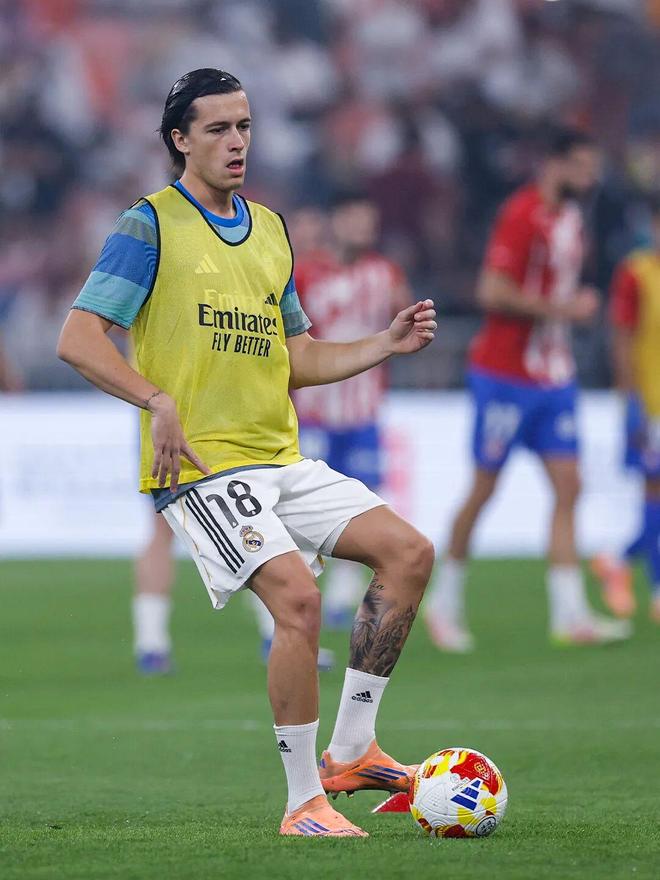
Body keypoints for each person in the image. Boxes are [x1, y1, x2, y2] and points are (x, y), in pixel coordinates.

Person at [57, 68, 436, 838]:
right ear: (180, 140)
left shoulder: (269, 229)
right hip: (203, 468)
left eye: (245, 126)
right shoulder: (149, 225)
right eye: (219, 129)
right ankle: (303, 804)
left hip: (280, 458)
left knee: (409, 553)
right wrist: (156, 399)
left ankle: (352, 751)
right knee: (298, 601)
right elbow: (78, 338)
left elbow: (296, 357)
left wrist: (382, 344)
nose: (237, 142)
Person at [425, 127, 631, 652]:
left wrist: (571, 309)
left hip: (554, 376)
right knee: (484, 489)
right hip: (505, 375)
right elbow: (491, 291)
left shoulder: (572, 220)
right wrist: (563, 309)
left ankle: (570, 614)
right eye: (581, 167)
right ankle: (444, 602)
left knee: (570, 487)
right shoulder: (521, 215)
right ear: (555, 164)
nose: (589, 178)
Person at [293, 192, 411, 628]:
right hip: (313, 411)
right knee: (300, 508)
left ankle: (342, 600)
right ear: (335, 222)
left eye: (369, 221)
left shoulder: (386, 273)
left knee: (359, 503)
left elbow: (408, 322)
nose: (363, 228)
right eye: (354, 219)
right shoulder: (306, 273)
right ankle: (291, 597)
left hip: (363, 413)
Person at [591, 195, 660, 623]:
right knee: (654, 494)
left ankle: (616, 560)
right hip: (651, 404)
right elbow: (621, 338)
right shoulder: (636, 273)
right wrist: (630, 401)